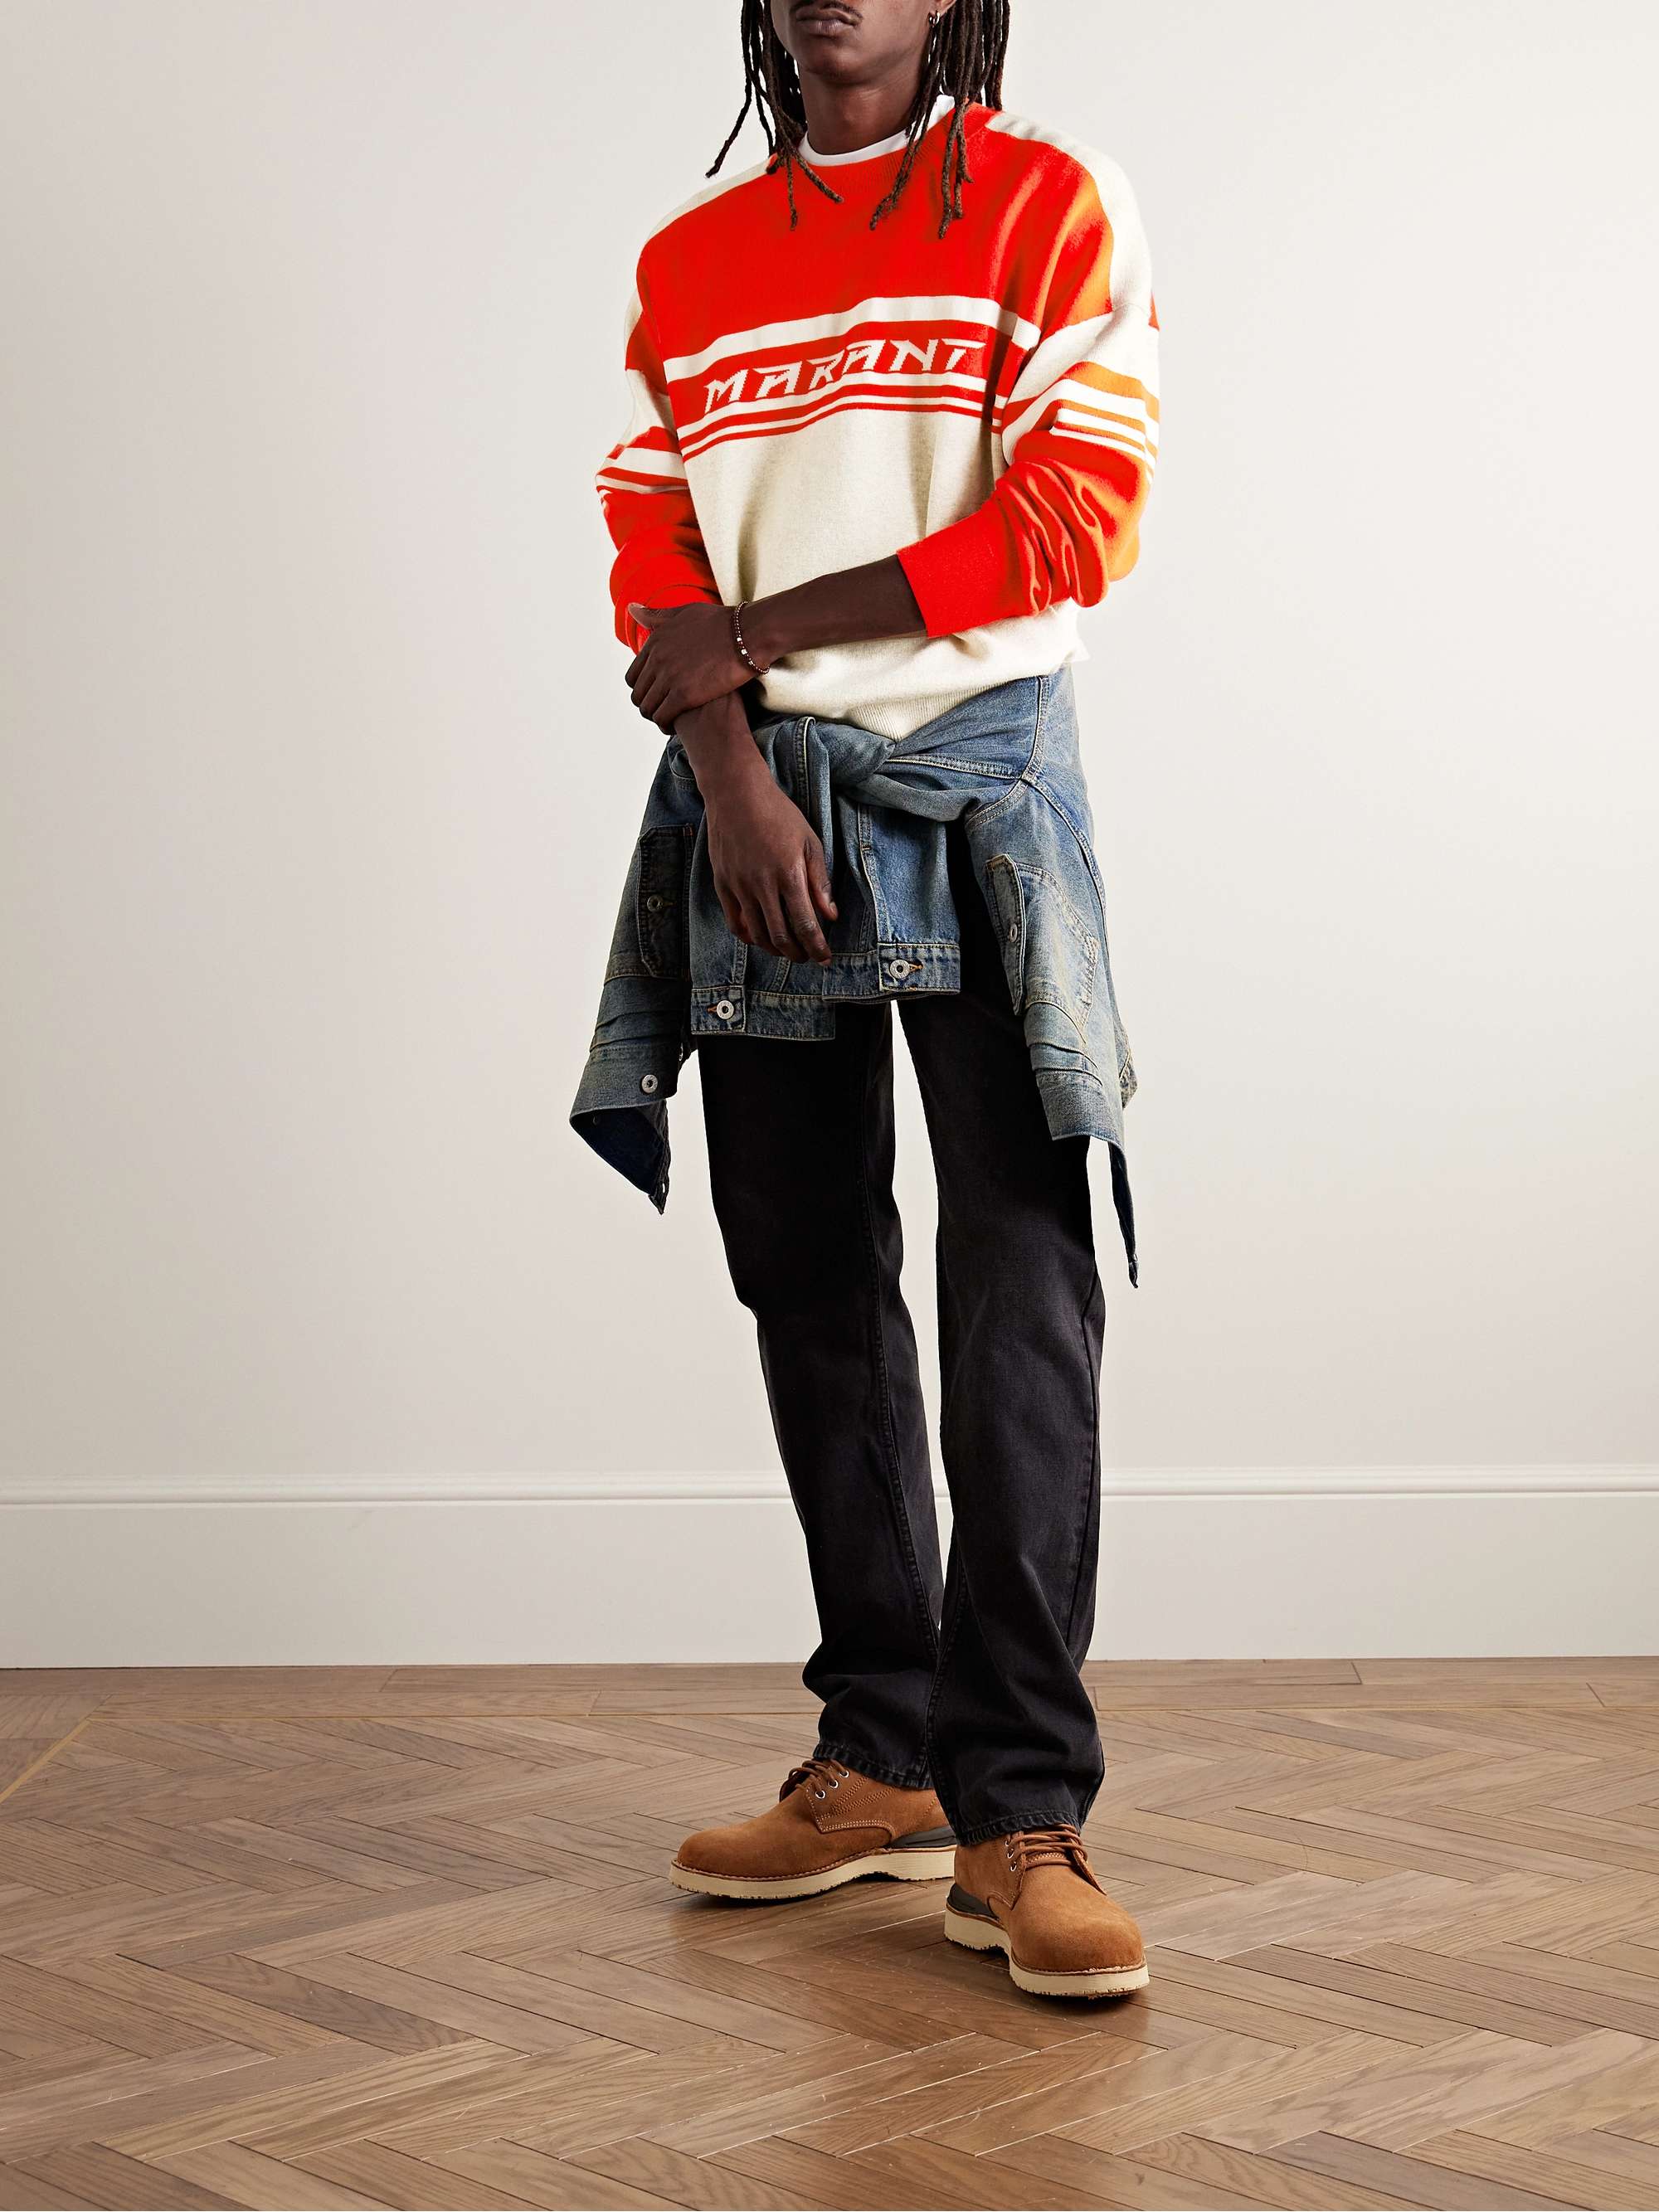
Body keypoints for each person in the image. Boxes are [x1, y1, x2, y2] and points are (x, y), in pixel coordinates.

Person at [572, 0, 1159, 2001]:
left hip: (978, 778)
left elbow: (1070, 520)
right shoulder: (691, 258)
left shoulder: (1047, 201)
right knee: (806, 1266)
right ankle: (882, 1747)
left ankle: (1023, 1805)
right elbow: (648, 534)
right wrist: (731, 775)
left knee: (1019, 1274)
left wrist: (749, 633)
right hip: (755, 802)